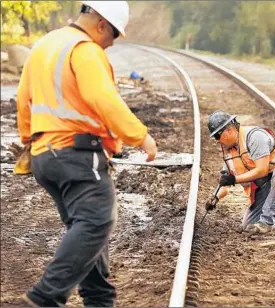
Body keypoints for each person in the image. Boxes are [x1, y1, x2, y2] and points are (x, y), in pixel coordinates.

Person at [16, 1, 157, 306]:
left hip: (44, 154)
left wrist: (30, 140)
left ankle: (99, 299)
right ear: (102, 24)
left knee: (88, 231)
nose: (112, 43)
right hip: (76, 153)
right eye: (115, 35)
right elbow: (104, 99)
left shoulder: (45, 45)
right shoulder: (84, 49)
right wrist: (140, 136)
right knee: (97, 221)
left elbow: (22, 97)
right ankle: (45, 296)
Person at [205, 111, 275, 234]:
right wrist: (215, 198)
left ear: (228, 130)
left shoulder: (254, 137)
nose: (217, 141)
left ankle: (266, 223)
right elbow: (225, 183)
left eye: (217, 136)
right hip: (267, 185)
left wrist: (235, 179)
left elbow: (262, 170)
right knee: (249, 224)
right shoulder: (229, 151)